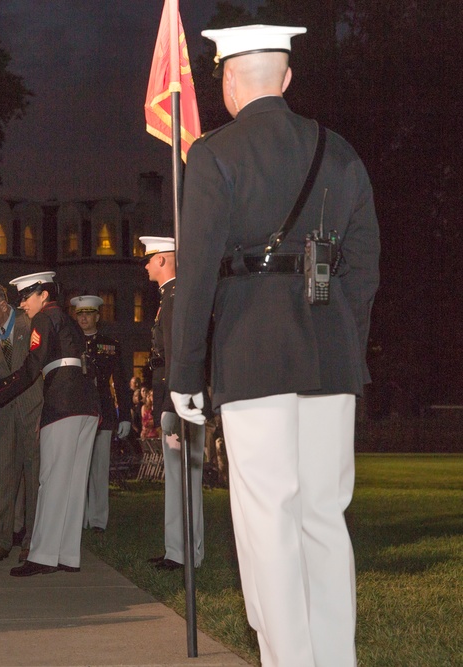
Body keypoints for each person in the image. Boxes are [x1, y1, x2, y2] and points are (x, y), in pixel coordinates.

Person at [169, 25, 380, 667]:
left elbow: (198, 271)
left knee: (270, 519)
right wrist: (349, 342)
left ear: (229, 81)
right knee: (323, 514)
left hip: (251, 350)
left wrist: (186, 370)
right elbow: (365, 265)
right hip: (330, 351)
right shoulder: (341, 151)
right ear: (286, 79)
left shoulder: (213, 153)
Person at [0, 272, 99, 576]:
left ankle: (42, 556)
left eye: (27, 297)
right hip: (86, 403)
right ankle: (67, 554)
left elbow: (32, 366)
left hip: (62, 402)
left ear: (43, 296)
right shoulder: (68, 320)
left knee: (50, 482)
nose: (24, 305)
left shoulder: (44, 318)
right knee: (72, 482)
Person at [138, 236, 205, 572]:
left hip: (179, 398)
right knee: (179, 480)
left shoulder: (176, 297)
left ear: (163, 260)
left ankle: (183, 553)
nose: (146, 265)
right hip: (177, 396)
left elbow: (178, 355)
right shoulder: (172, 297)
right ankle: (179, 550)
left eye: (150, 259)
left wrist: (171, 407)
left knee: (183, 480)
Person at [0, 281, 43, 563]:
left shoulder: (31, 322)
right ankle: (1, 539)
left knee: (34, 476)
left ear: (3, 305)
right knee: (2, 475)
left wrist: (46, 414)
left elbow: (41, 370)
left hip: (33, 410)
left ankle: (32, 540)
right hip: (2, 414)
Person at [71, 294, 132, 534]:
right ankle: (79, 517)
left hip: (103, 411)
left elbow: (119, 381)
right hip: (76, 410)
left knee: (98, 468)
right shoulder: (69, 343)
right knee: (78, 468)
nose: (84, 318)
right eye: (80, 314)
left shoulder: (110, 345)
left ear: (97, 316)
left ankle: (97, 520)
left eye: (88, 313)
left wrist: (124, 414)